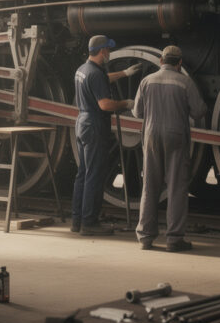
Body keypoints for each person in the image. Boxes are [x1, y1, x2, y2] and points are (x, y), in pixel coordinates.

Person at [132, 45, 206, 252]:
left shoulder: (147, 81)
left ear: (161, 61)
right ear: (179, 63)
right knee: (176, 187)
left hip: (151, 135)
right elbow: (199, 111)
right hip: (176, 136)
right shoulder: (184, 81)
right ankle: (174, 239)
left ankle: (145, 237)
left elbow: (137, 112)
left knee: (150, 185)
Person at [72, 35, 141, 236]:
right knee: (95, 174)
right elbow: (105, 104)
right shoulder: (95, 74)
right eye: (108, 50)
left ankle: (77, 220)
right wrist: (125, 104)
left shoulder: (83, 70)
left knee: (83, 173)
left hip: (82, 122)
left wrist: (124, 73)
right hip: (95, 124)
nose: (109, 54)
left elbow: (101, 80)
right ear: (102, 51)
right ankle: (89, 222)